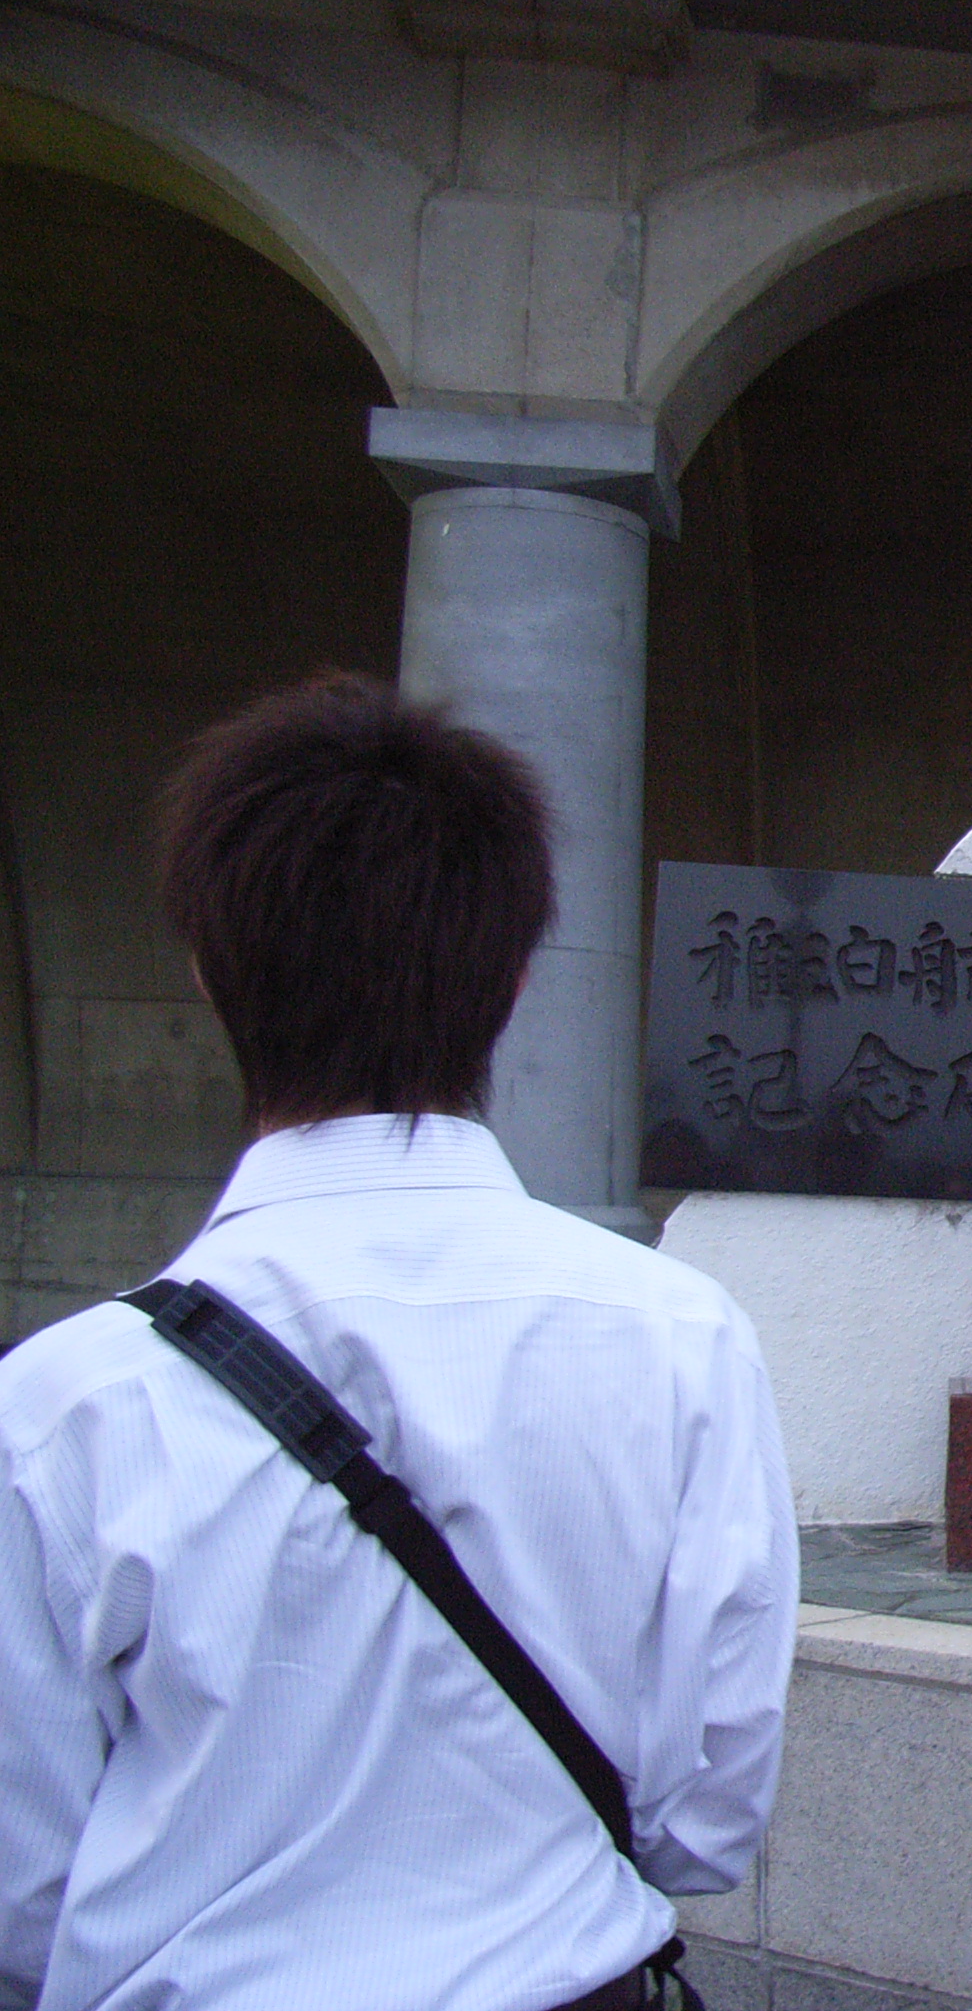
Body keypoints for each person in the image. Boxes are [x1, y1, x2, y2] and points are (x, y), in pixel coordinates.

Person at [0, 676, 798, 2011]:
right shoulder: (679, 1336)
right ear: (515, 977)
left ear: (207, 969)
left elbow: (25, 1891)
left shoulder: (62, 1405)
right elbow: (707, 1817)